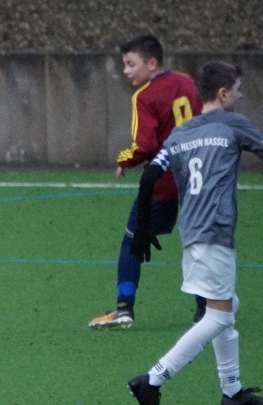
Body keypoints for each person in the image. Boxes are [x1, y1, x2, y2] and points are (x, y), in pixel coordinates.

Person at [127, 60, 263, 405]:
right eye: (238, 89)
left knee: (226, 305)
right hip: (216, 230)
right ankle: (153, 379)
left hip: (191, 233)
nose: (240, 96)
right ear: (223, 93)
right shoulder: (233, 124)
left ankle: (232, 393)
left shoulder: (181, 133)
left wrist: (143, 228)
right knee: (218, 315)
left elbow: (149, 176)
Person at [89, 35, 207, 329]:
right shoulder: (187, 82)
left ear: (152, 63)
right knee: (197, 241)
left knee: (133, 239)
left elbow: (145, 145)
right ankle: (206, 309)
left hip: (164, 180)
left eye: (131, 64)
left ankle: (124, 307)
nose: (126, 71)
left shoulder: (144, 96)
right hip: (198, 175)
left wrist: (124, 160)